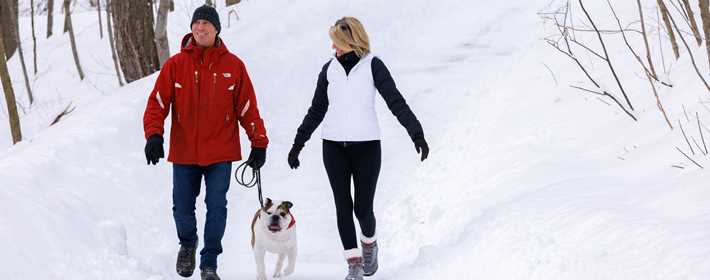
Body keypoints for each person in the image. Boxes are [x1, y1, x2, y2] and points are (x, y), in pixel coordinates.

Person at [287, 16, 429, 280]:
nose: (334, 49)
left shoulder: (373, 66)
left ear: (351, 42)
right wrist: (299, 143)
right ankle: (353, 264)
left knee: (362, 209)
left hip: (366, 147)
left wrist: (416, 133)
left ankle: (369, 244)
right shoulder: (329, 70)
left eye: (337, 43)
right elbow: (317, 109)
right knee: (342, 205)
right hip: (333, 147)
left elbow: (395, 101)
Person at [142, 5, 268, 280]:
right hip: (185, 151)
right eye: (196, 23)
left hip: (220, 152)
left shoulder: (233, 66)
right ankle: (187, 244)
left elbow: (247, 108)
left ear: (216, 29)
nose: (200, 28)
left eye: (206, 23)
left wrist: (258, 142)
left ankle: (209, 261)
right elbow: (157, 104)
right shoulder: (176, 65)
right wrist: (154, 134)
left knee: (216, 205)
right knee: (182, 206)